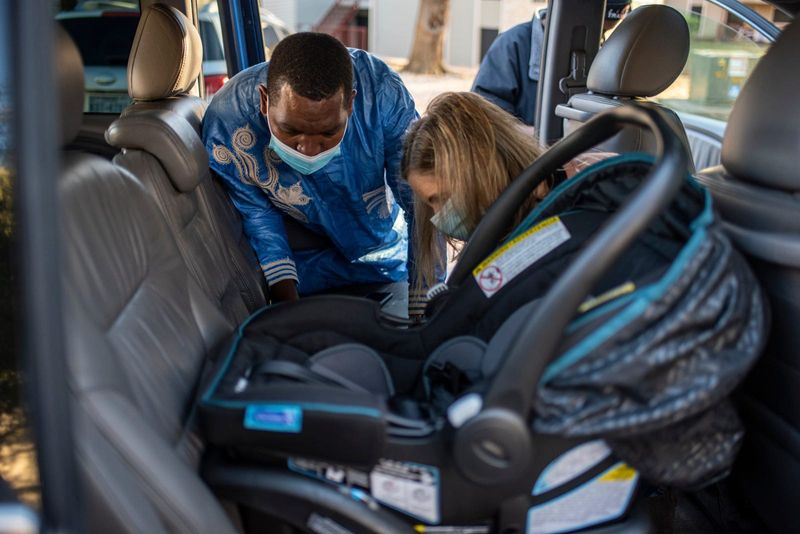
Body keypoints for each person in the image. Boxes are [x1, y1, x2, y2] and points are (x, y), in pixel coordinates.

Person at [203, 32, 422, 316]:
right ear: (264, 101)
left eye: (328, 132)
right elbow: (258, 216)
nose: (308, 149)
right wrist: (289, 312)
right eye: (291, 130)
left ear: (351, 104)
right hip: (301, 269)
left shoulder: (382, 94)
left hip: (385, 257)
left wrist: (422, 301)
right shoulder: (228, 124)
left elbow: (418, 199)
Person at [472, 0, 632, 127]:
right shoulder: (512, 45)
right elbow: (485, 119)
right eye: (596, 29)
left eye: (603, 31)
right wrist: (538, 138)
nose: (597, 40)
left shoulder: (605, 54)